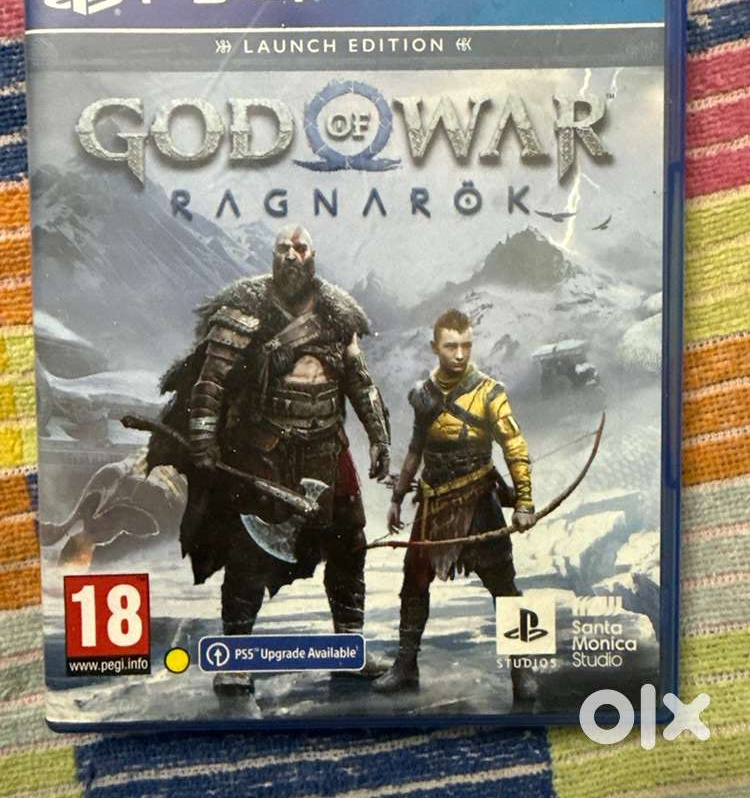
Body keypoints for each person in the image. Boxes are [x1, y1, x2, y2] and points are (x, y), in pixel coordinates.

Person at [147, 225, 390, 700]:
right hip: (265, 449)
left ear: (313, 255)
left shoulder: (337, 312)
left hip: (327, 448)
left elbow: (359, 381)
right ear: (273, 256)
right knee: (248, 551)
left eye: (300, 248)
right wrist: (203, 438)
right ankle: (237, 661)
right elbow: (211, 382)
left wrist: (379, 437)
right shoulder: (244, 308)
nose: (292, 256)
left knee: (349, 543)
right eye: (283, 249)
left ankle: (349, 648)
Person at [373, 308, 537, 709]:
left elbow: (514, 446)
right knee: (413, 583)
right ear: (435, 347)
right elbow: (415, 449)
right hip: (433, 504)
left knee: (505, 588)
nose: (460, 354)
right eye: (451, 346)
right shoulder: (423, 394)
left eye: (466, 345)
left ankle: (522, 669)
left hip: (480, 501)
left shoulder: (490, 393)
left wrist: (524, 502)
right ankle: (406, 666)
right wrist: (397, 498)